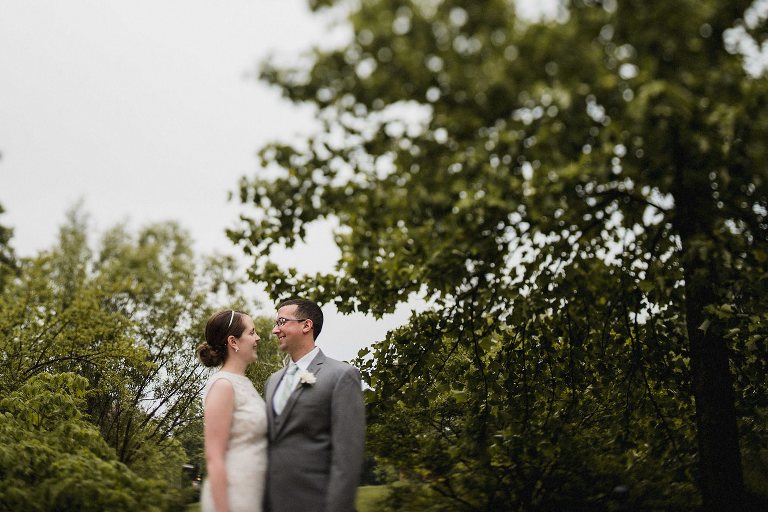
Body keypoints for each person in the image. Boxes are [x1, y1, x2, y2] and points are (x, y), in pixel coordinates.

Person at [264, 298, 365, 512]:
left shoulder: (341, 376)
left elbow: (347, 458)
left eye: (282, 322)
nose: (275, 330)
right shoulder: (272, 381)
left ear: (306, 325)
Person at [197, 310, 267, 512]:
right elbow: (214, 457)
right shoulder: (223, 385)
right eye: (252, 332)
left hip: (252, 493)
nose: (257, 338)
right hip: (233, 497)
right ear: (233, 341)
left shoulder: (243, 383)